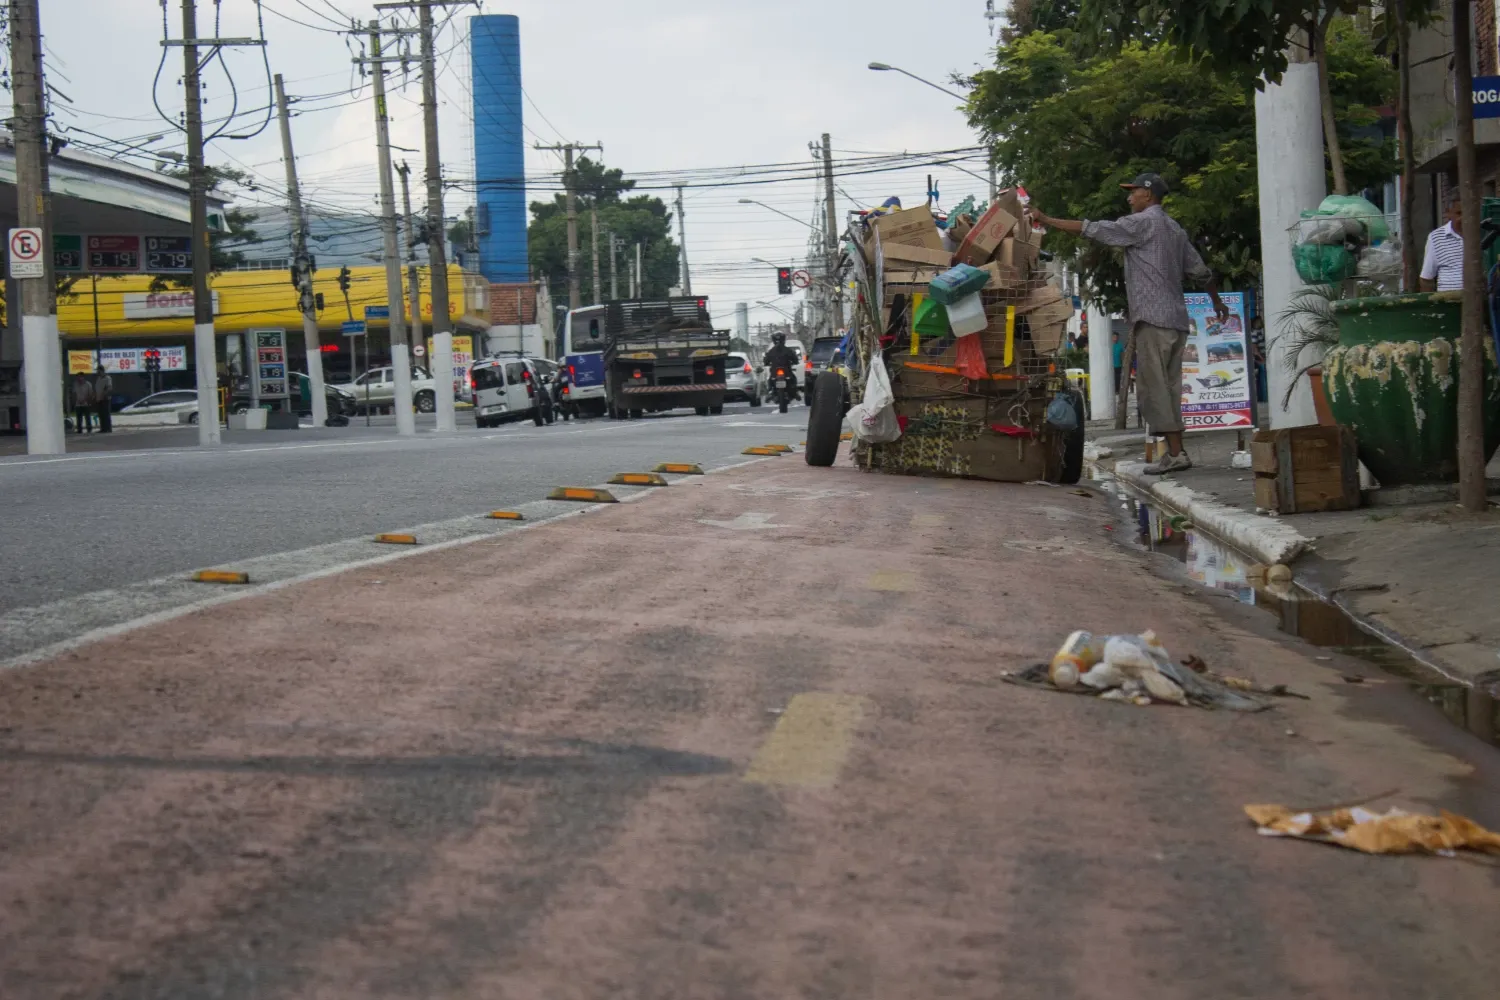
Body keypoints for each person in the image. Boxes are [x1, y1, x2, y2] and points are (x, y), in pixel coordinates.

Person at [1027, 172, 1227, 474]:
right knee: (1170, 387)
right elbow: (1201, 271)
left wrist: (1045, 218)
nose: (1129, 197)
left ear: (1148, 195)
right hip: (1176, 320)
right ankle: (1175, 451)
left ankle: (1175, 454)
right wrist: (1217, 301)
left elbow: (1092, 230)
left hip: (1153, 318)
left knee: (1154, 388)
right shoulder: (1174, 229)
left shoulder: (1142, 222)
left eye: (1133, 192)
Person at [1420, 193, 1464, 292]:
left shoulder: (1482, 234)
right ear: (1448, 213)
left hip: (1479, 302)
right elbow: (1426, 278)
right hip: (1448, 302)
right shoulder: (1435, 237)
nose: (1463, 218)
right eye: (1459, 213)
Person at [93, 365, 113, 433]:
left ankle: (108, 428)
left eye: (98, 370)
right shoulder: (98, 379)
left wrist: (104, 394)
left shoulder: (107, 378)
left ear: (101, 370)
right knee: (101, 414)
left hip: (105, 399)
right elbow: (97, 388)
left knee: (106, 414)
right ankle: (103, 428)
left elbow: (109, 388)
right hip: (99, 399)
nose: (97, 372)